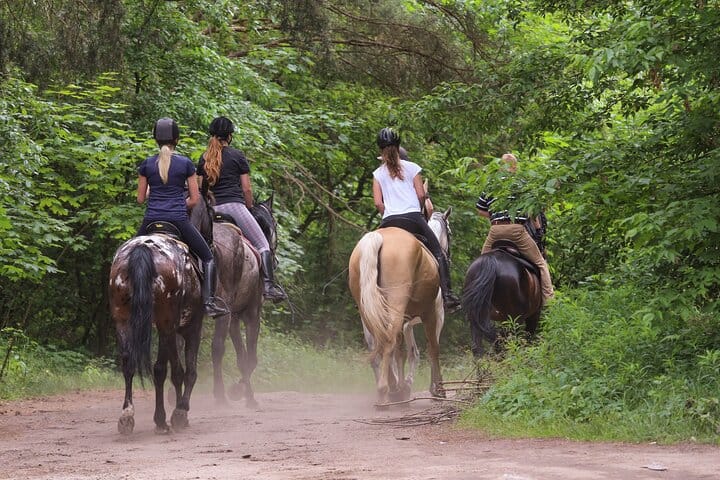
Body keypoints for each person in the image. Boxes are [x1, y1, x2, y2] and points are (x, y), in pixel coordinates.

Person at [136, 117, 228, 317]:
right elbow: (194, 200)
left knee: (129, 254)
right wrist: (177, 204)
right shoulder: (185, 164)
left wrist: (156, 194)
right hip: (178, 221)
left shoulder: (146, 164)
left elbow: (141, 199)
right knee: (208, 257)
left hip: (150, 220)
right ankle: (209, 302)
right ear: (176, 140)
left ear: (155, 140)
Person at [197, 116, 286, 303]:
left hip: (211, 211)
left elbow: (200, 190)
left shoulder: (204, 158)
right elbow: (246, 189)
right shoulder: (237, 155)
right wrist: (249, 207)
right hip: (234, 207)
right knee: (263, 245)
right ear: (229, 136)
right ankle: (269, 287)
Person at [372, 127, 461, 311]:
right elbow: (421, 195)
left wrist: (388, 216)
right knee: (438, 252)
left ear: (380, 149)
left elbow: (378, 204)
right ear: (398, 146)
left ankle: (366, 294)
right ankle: (447, 295)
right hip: (413, 218)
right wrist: (417, 210)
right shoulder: (413, 168)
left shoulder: (377, 174)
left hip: (389, 220)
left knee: (371, 253)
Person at [475, 153, 555, 302]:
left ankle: (476, 300)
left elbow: (480, 210)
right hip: (517, 231)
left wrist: (495, 216)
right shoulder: (522, 184)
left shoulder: (492, 185)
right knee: (541, 264)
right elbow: (533, 212)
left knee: (481, 264)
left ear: (500, 167)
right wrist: (538, 230)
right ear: (515, 167)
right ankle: (550, 303)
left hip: (495, 231)